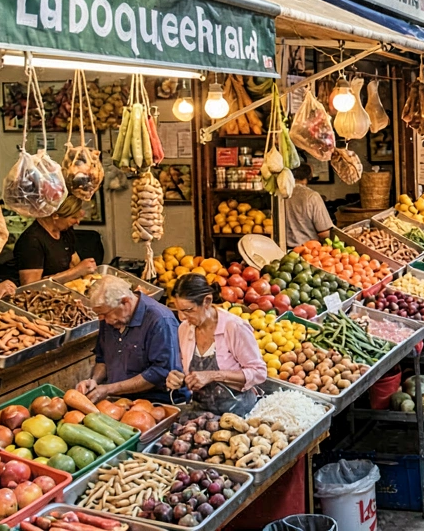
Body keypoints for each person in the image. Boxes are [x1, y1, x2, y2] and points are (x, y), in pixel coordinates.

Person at [165, 274, 267, 412]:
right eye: (178, 310)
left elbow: (259, 372)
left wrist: (213, 375)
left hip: (238, 411)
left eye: (188, 310)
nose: (182, 317)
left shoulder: (234, 327)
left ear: (207, 301)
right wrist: (179, 379)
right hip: (202, 413)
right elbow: (186, 369)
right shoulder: (184, 328)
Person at [79, 275, 182, 404]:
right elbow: (103, 359)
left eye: (105, 314)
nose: (103, 320)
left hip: (154, 402)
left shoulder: (159, 320)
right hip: (119, 400)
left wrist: (109, 389)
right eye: (99, 315)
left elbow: (159, 372)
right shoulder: (110, 319)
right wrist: (94, 381)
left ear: (125, 302)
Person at [13, 194, 92, 289]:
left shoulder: (65, 231)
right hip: (43, 299)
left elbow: (74, 262)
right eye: (73, 218)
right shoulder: (31, 241)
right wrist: (77, 271)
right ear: (55, 216)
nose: (77, 222)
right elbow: (30, 287)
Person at [284, 164, 334, 246]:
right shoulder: (312, 196)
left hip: (283, 248)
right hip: (309, 250)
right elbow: (324, 233)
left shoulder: (280, 195)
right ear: (307, 178)